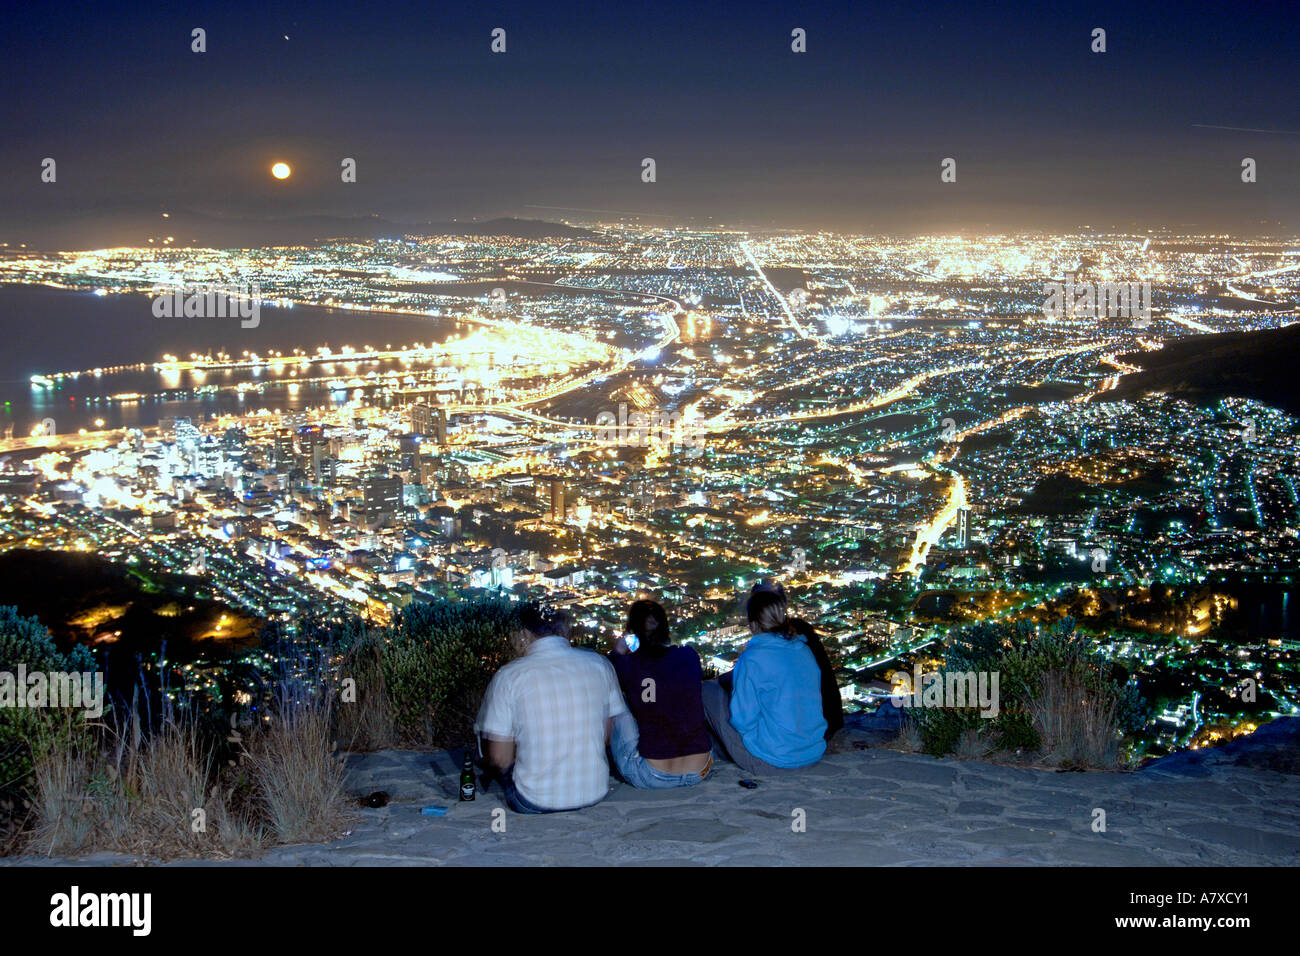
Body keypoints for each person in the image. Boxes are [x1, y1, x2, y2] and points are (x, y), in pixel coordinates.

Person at [475, 604, 629, 813]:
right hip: (594, 791)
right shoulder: (599, 664)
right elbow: (606, 737)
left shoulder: (510, 676)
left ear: (523, 634)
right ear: (565, 630)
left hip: (534, 799)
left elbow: (499, 758)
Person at [702, 589, 827, 774]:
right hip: (812, 751)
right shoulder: (803, 650)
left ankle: (709, 754)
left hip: (771, 759)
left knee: (707, 691)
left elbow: (742, 720)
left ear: (753, 625)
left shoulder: (752, 659)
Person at [606, 599, 713, 789]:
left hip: (654, 776)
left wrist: (619, 651)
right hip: (701, 770)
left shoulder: (629, 666)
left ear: (633, 633)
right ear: (666, 629)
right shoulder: (689, 656)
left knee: (618, 703)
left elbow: (609, 669)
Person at [738, 580, 845, 739]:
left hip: (788, 740)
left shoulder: (761, 653)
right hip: (821, 727)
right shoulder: (800, 639)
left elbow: (743, 718)